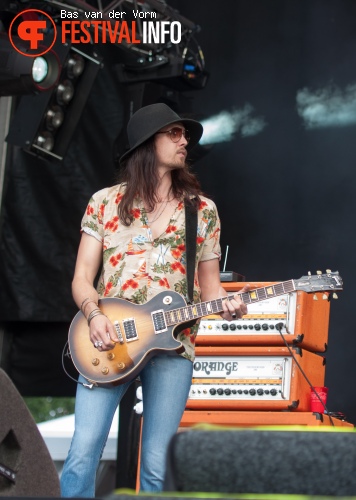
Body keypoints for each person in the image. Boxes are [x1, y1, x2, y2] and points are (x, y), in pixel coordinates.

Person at [60, 103, 248, 497]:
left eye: (185, 135)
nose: (185, 142)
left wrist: (229, 304)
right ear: (148, 143)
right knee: (82, 453)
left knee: (159, 465)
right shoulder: (105, 203)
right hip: (108, 341)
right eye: (174, 134)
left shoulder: (202, 210)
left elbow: (211, 289)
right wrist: (94, 316)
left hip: (172, 346)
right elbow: (81, 279)